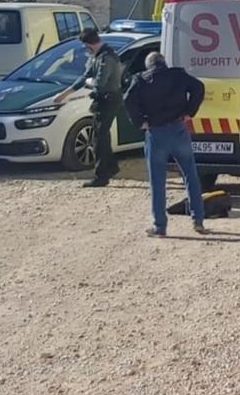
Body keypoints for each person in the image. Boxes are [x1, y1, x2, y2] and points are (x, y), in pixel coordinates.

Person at [123, 52, 208, 238]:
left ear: (148, 65)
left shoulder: (141, 80)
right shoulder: (178, 74)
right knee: (190, 175)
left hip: (156, 132)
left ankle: (160, 226)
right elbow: (199, 87)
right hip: (178, 129)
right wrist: (189, 112)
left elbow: (128, 99)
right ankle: (198, 220)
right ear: (164, 63)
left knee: (158, 181)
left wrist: (140, 122)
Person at [54, 29, 123, 187]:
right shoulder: (98, 56)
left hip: (108, 100)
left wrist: (90, 82)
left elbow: (99, 83)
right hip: (103, 100)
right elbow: (85, 76)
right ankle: (110, 167)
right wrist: (64, 94)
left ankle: (101, 176)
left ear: (89, 45)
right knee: (101, 136)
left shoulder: (106, 57)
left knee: (99, 139)